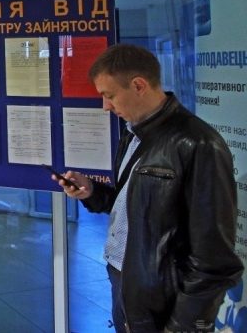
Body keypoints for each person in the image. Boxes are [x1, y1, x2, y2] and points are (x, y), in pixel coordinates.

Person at [53, 44, 242, 333]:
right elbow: (139, 205)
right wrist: (92, 192)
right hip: (126, 281)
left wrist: (181, 328)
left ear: (139, 85)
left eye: (109, 95)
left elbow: (213, 260)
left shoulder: (199, 144)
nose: (106, 106)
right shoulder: (133, 134)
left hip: (164, 301)